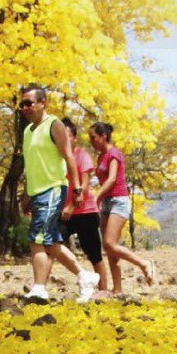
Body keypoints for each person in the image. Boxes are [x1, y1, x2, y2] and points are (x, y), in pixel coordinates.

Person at [18, 85, 99, 303]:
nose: (25, 107)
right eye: (22, 104)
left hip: (53, 188)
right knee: (50, 242)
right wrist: (27, 195)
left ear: (43, 102)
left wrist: (78, 190)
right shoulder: (27, 131)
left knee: (36, 239)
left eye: (29, 103)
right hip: (37, 192)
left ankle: (39, 289)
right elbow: (31, 165)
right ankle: (85, 277)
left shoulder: (54, 125)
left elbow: (69, 158)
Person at [89, 122, 154, 297]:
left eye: (93, 137)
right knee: (109, 249)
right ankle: (117, 289)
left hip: (119, 201)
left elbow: (111, 180)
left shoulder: (113, 154)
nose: (91, 141)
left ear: (103, 136)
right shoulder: (101, 156)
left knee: (110, 243)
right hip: (107, 203)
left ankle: (143, 264)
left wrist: (96, 197)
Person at [55, 119, 108, 296]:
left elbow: (84, 186)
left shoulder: (81, 155)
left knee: (94, 254)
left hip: (85, 212)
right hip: (64, 213)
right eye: (61, 136)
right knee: (51, 246)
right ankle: (38, 287)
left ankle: (103, 291)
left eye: (68, 136)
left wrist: (70, 206)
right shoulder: (56, 158)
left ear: (75, 138)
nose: (64, 139)